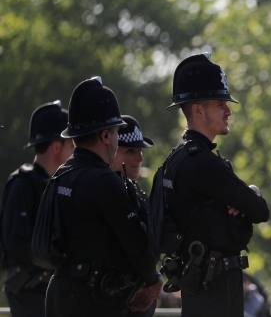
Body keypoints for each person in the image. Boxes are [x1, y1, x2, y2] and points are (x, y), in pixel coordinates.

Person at [160, 53, 270, 317]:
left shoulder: (175, 159)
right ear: (197, 110)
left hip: (201, 284)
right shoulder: (202, 163)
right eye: (221, 104)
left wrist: (247, 195)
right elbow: (260, 211)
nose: (228, 111)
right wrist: (251, 195)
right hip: (214, 286)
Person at [44, 77, 162, 317]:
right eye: (117, 132)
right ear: (106, 136)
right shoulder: (103, 180)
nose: (118, 138)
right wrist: (152, 280)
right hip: (92, 299)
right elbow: (135, 243)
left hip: (59, 292)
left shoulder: (61, 175)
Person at [1, 101, 73, 317]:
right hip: (31, 294)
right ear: (56, 147)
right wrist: (59, 261)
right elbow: (16, 244)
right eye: (71, 146)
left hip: (56, 290)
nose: (74, 152)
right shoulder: (21, 186)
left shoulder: (61, 185)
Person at [111, 115, 157, 317]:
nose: (139, 158)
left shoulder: (134, 190)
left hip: (140, 295)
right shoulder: (103, 192)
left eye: (140, 151)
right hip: (116, 299)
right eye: (130, 151)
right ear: (110, 148)